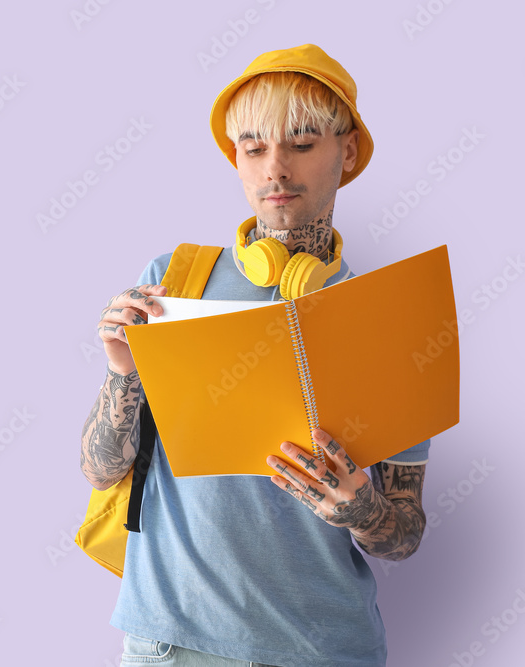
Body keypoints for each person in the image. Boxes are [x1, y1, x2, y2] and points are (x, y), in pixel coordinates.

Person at [80, 44, 430, 666]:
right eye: (253, 147)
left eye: (301, 143)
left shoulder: (391, 320)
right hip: (172, 642)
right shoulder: (172, 281)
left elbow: (404, 534)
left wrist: (362, 508)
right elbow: (102, 470)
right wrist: (121, 373)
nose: (275, 169)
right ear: (236, 160)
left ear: (346, 151)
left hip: (324, 650)